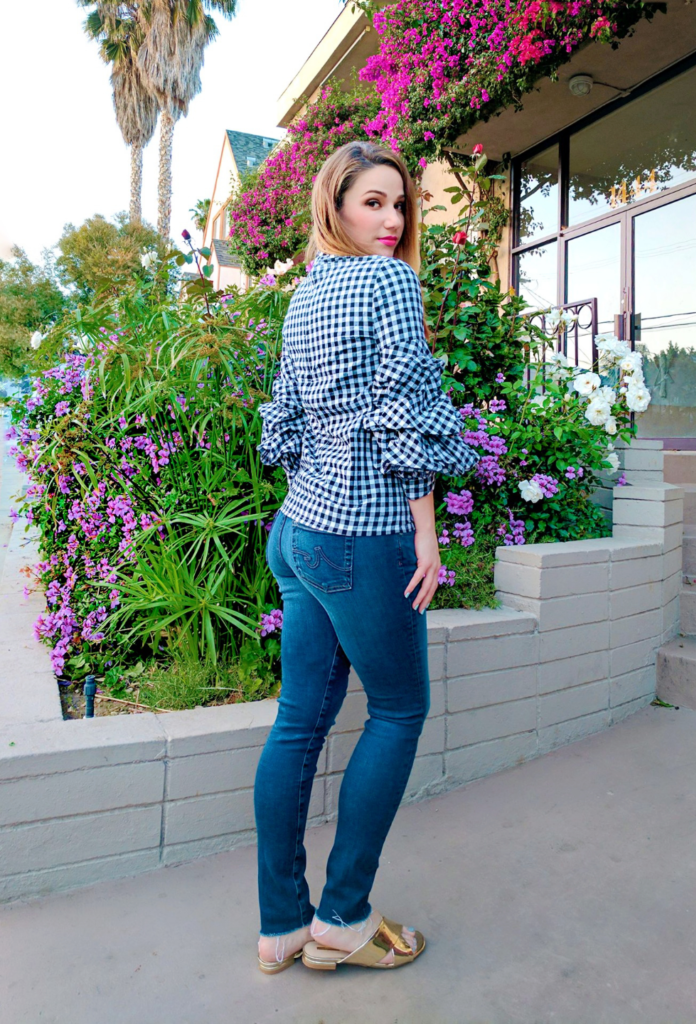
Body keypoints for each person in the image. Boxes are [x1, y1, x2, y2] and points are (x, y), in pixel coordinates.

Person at [253, 140, 479, 973]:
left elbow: (290, 418)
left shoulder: (305, 295)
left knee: (297, 723)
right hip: (363, 531)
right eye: (372, 203)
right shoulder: (389, 283)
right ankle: (342, 917)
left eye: (399, 204)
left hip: (300, 529)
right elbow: (403, 408)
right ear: (335, 207)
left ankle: (282, 925)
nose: (391, 220)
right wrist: (426, 524)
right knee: (398, 711)